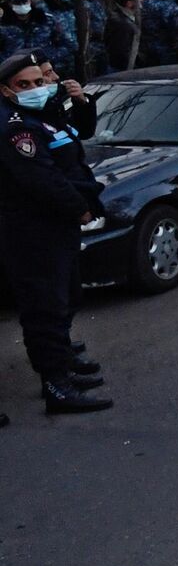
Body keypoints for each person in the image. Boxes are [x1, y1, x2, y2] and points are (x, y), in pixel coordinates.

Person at [0, 52, 111, 413]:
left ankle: (63, 369)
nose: (37, 88)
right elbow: (41, 178)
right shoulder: (18, 127)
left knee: (65, 298)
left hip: (55, 226)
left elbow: (78, 139)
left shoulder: (42, 116)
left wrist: (80, 101)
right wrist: (78, 208)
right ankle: (56, 386)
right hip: (35, 229)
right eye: (25, 85)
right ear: (6, 90)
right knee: (45, 309)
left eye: (41, 80)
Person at [103, 0, 140, 73]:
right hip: (123, 69)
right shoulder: (122, 24)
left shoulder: (127, 18)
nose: (141, 1)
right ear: (129, 3)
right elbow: (122, 51)